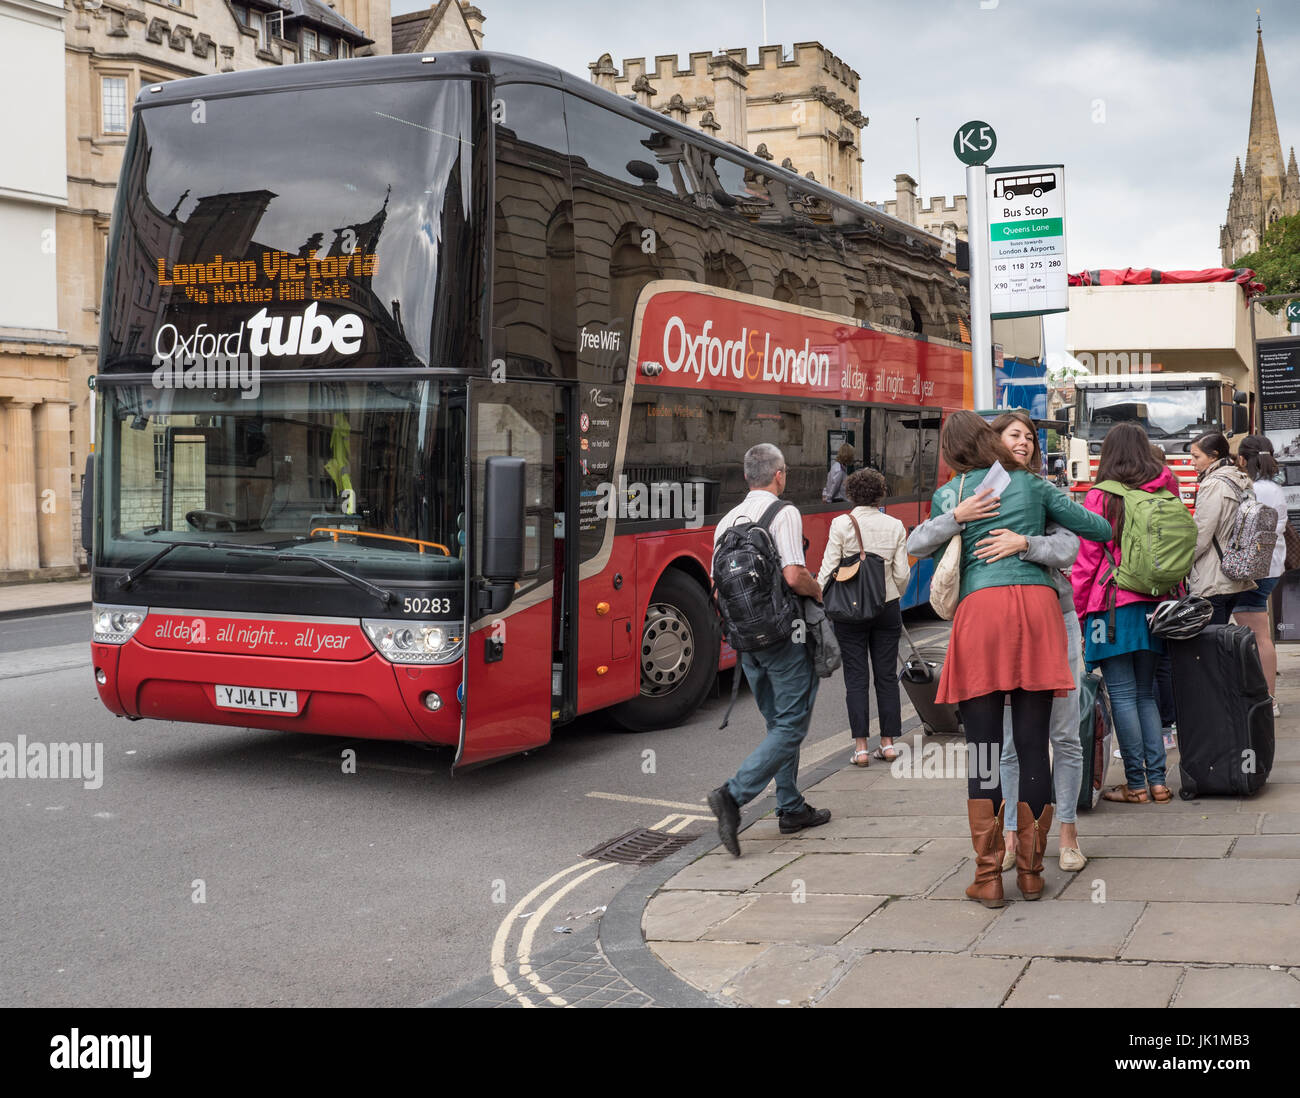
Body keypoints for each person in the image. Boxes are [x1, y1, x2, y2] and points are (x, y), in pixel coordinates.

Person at [908, 411, 1111, 907]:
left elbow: (915, 546)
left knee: (984, 748)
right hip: (1040, 613)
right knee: (1032, 740)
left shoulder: (953, 495)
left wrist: (958, 518)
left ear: (954, 453)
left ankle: (988, 875)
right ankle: (1032, 872)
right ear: (991, 440)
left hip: (982, 615)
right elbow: (1099, 529)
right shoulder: (1034, 487)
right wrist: (1033, 539)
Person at [708, 443, 830, 857]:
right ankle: (732, 795)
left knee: (778, 723)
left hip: (745, 643)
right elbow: (794, 576)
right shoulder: (784, 513)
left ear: (747, 477)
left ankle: (791, 807)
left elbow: (717, 587)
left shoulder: (726, 521)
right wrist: (819, 590)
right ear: (780, 475)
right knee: (791, 725)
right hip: (785, 637)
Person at [988, 412, 1089, 872]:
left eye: (1029, 437)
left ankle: (1067, 834)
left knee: (1065, 733)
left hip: (1058, 619)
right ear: (994, 441)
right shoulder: (980, 493)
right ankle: (1012, 837)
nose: (1025, 443)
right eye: (1016, 435)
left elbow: (1068, 548)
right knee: (1010, 743)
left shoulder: (1048, 492)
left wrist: (1022, 543)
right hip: (1005, 626)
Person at [1071, 423, 1182, 804]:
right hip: (1158, 605)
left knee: (1122, 694)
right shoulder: (1168, 488)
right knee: (1146, 695)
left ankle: (1135, 784)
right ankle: (1158, 782)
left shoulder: (1100, 497)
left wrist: (1080, 611)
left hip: (1111, 606)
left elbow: (1086, 561)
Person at [816, 467, 910, 767]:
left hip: (849, 611)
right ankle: (889, 743)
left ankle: (860, 748)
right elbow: (902, 574)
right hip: (887, 608)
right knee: (886, 676)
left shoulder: (841, 524)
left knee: (856, 678)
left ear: (850, 494)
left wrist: (816, 599)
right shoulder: (895, 525)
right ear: (880, 494)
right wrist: (891, 594)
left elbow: (829, 568)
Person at [1232, 435, 1286, 714]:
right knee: (1260, 634)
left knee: (1256, 635)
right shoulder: (1274, 488)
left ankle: (1265, 700)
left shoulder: (1250, 490)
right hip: (1272, 567)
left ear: (1242, 459)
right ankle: (1268, 699)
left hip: (1252, 569)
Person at [1188, 431, 1256, 624]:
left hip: (1213, 578)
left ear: (1214, 456)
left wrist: (1182, 565)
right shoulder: (1241, 479)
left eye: (1196, 456)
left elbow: (1201, 535)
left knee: (1211, 646)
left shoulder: (1213, 484)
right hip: (1235, 573)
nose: (1192, 462)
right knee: (1221, 642)